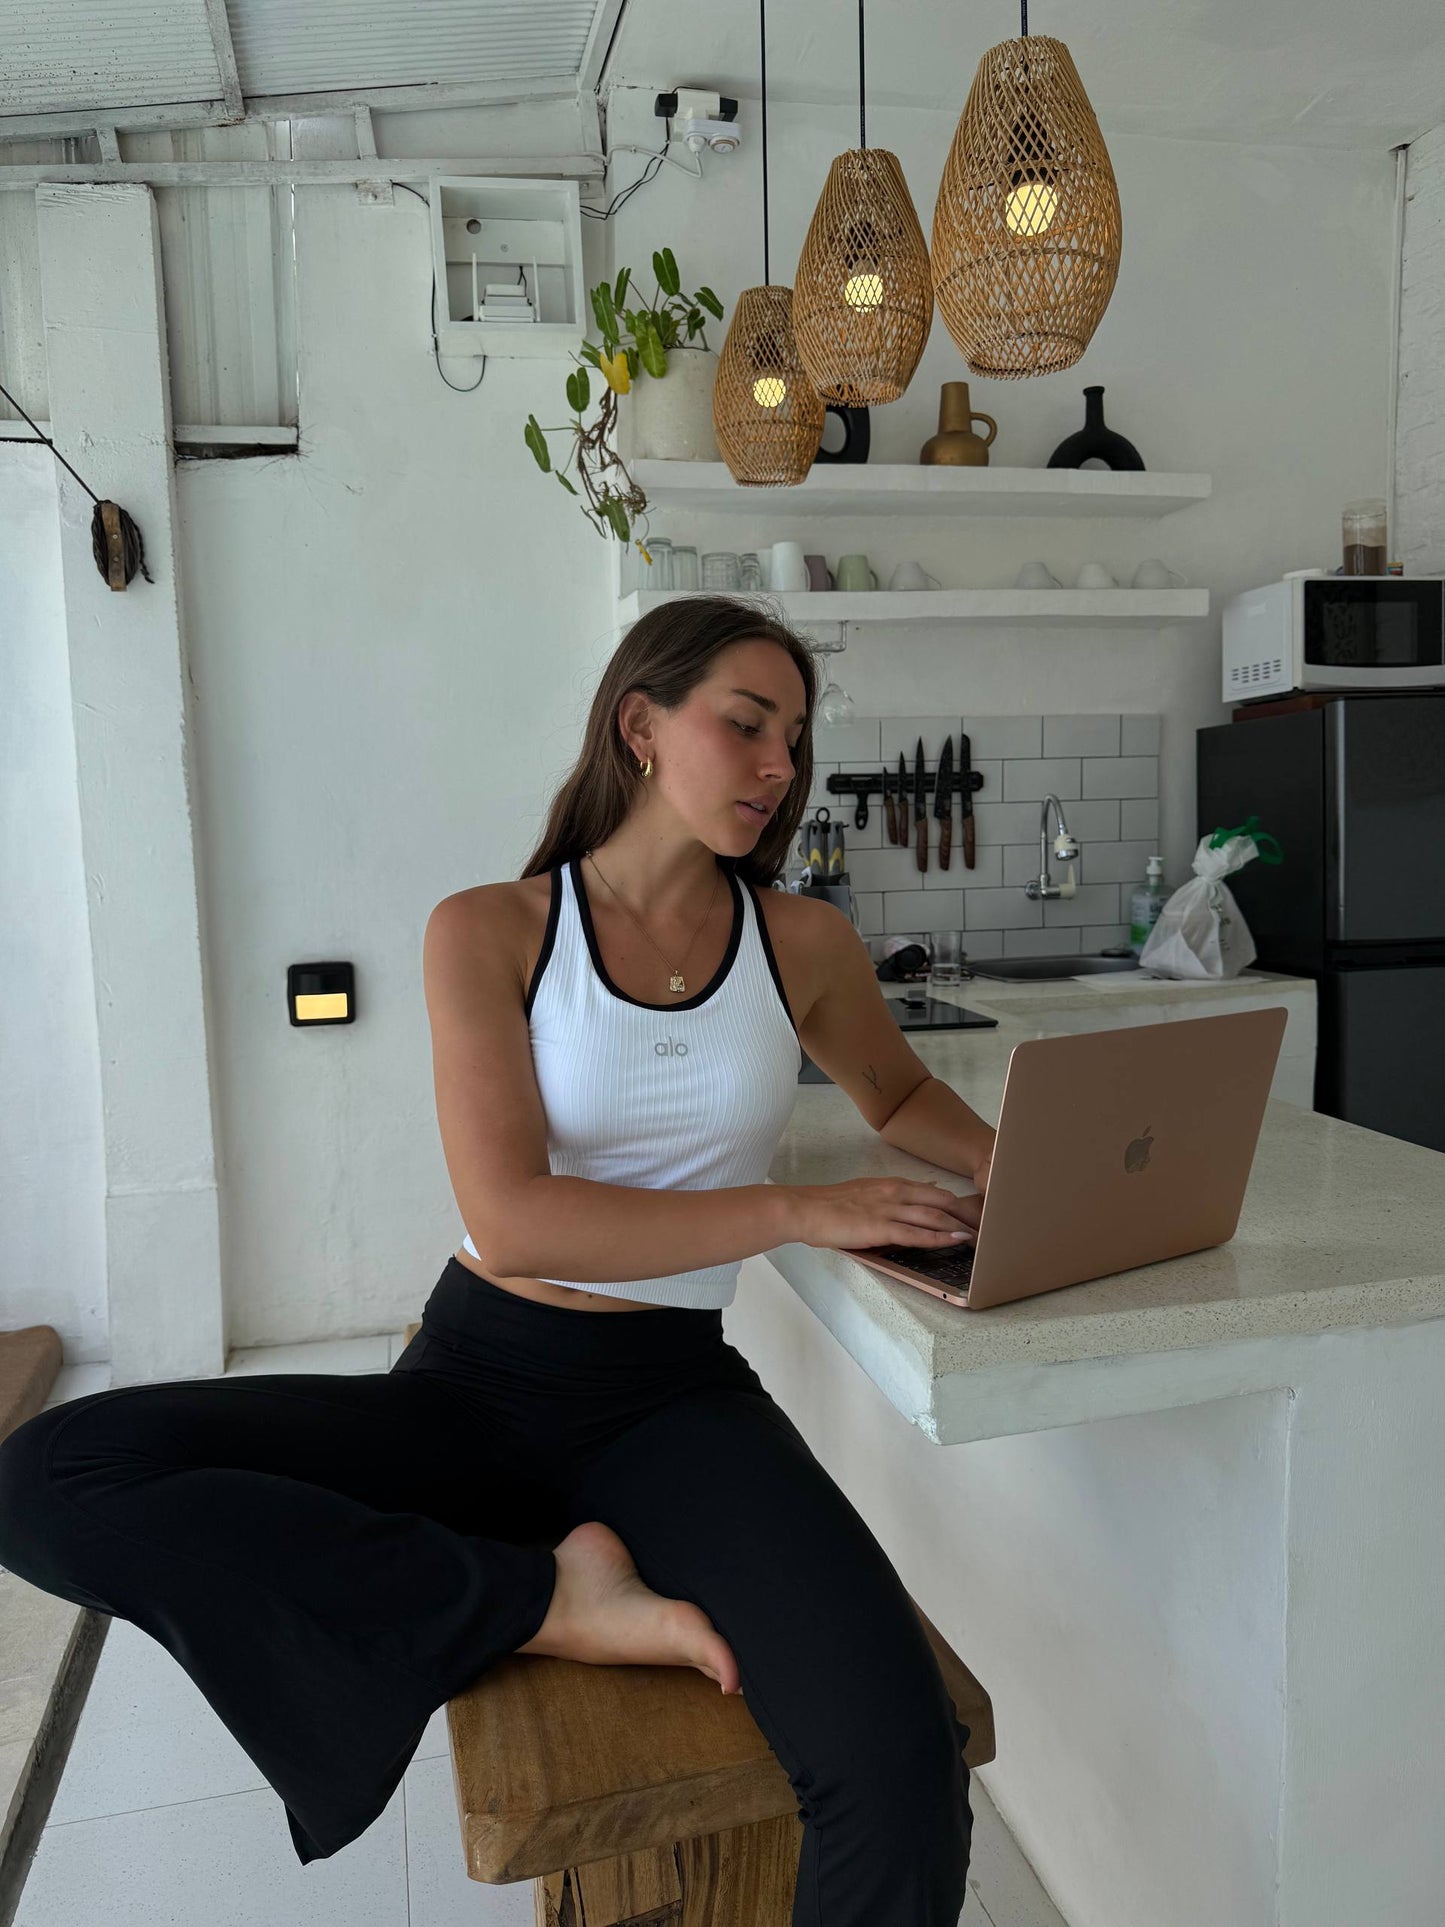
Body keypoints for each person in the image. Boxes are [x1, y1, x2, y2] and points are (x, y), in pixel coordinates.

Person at [0, 595, 996, 1922]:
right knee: (46, 1478)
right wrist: (796, 1210)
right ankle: (543, 1602)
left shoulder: (800, 942)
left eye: (795, 743)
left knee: (896, 1756)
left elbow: (896, 1094)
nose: (778, 770)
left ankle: (545, 1597)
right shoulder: (491, 929)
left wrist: (1036, 1169)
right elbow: (518, 1215)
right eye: (746, 727)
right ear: (639, 726)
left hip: (671, 1398)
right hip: (472, 1378)